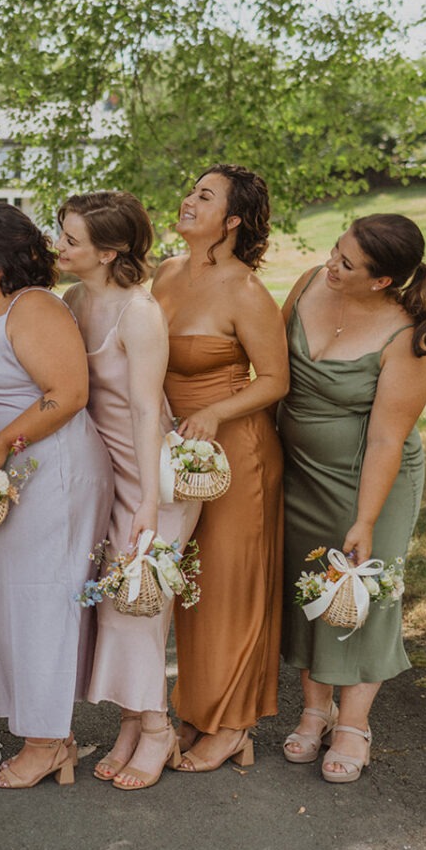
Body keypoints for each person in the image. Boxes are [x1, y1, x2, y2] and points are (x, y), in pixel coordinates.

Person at [0, 202, 114, 790]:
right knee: (2, 599)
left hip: (50, 469)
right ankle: (37, 728)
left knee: (44, 599)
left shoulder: (34, 307)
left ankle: (49, 742)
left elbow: (67, 393)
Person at [278, 214, 426, 783]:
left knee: (361, 593)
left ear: (381, 281)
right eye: (334, 251)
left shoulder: (406, 336)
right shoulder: (306, 284)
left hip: (372, 481)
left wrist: (366, 518)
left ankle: (354, 724)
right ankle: (314, 711)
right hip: (299, 474)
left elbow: (385, 438)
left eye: (347, 264)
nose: (331, 266)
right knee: (310, 589)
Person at [150, 164, 289, 772]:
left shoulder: (245, 290)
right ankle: (196, 708)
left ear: (232, 221)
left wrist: (216, 410)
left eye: (204, 196)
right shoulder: (165, 272)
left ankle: (232, 724)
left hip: (236, 449)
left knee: (229, 587)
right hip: (171, 449)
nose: (188, 200)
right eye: (190, 190)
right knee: (186, 583)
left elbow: (276, 381)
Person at [61, 192, 201, 791]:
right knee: (113, 607)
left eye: (70, 239)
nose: (59, 246)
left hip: (152, 480)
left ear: (108, 250)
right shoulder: (74, 298)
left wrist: (147, 500)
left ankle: (158, 728)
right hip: (106, 475)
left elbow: (148, 412)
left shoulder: (139, 313)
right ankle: (132, 726)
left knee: (135, 609)